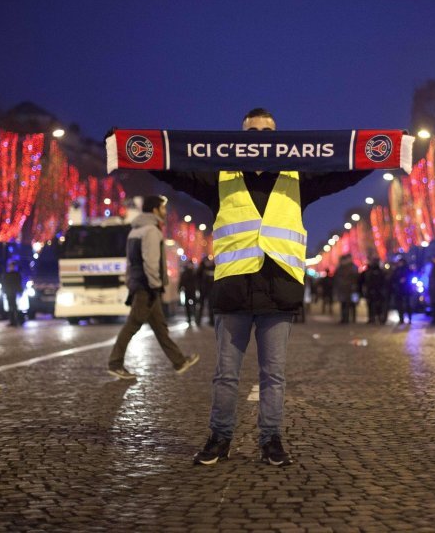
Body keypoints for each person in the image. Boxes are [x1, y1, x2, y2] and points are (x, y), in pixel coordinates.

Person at [149, 108, 371, 466]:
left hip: (278, 291)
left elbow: (342, 175)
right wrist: (136, 149)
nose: (259, 138)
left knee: (274, 376)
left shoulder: (298, 178)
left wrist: (377, 153)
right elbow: (175, 172)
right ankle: (219, 438)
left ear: (279, 138)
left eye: (267, 131)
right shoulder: (220, 179)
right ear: (238, 139)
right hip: (233, 292)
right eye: (251, 132)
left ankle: (271, 440)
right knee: (225, 375)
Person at [107, 195, 200, 380]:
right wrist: (155, 285)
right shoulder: (152, 231)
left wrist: (130, 281)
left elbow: (130, 262)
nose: (165, 212)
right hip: (147, 286)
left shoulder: (135, 231)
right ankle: (115, 363)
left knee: (160, 327)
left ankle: (179, 361)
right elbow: (150, 261)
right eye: (163, 208)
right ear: (155, 210)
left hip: (139, 283)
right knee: (132, 325)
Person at [334, 254, 359, 324]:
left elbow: (356, 278)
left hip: (351, 289)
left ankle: (352, 318)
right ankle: (345, 318)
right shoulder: (341, 268)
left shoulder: (353, 268)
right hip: (344, 289)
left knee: (352, 304)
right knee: (344, 304)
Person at [196, 256, 216, 326]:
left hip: (210, 290)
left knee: (211, 306)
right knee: (201, 305)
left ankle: (211, 321)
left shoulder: (213, 267)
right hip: (203, 290)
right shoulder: (201, 269)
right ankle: (198, 321)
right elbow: (197, 278)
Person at [2, 261, 23, 327]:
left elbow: (19, 283)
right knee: (11, 307)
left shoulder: (16, 274)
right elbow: (4, 284)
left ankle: (17, 320)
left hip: (14, 293)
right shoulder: (7, 275)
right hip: (9, 292)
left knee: (15, 307)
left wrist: (20, 291)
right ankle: (12, 321)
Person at [178, 262, 199, 326]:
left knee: (192, 305)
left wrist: (180, 288)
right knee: (190, 305)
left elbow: (182, 281)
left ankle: (192, 318)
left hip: (191, 291)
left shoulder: (192, 272)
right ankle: (190, 318)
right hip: (189, 291)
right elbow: (182, 281)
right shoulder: (192, 272)